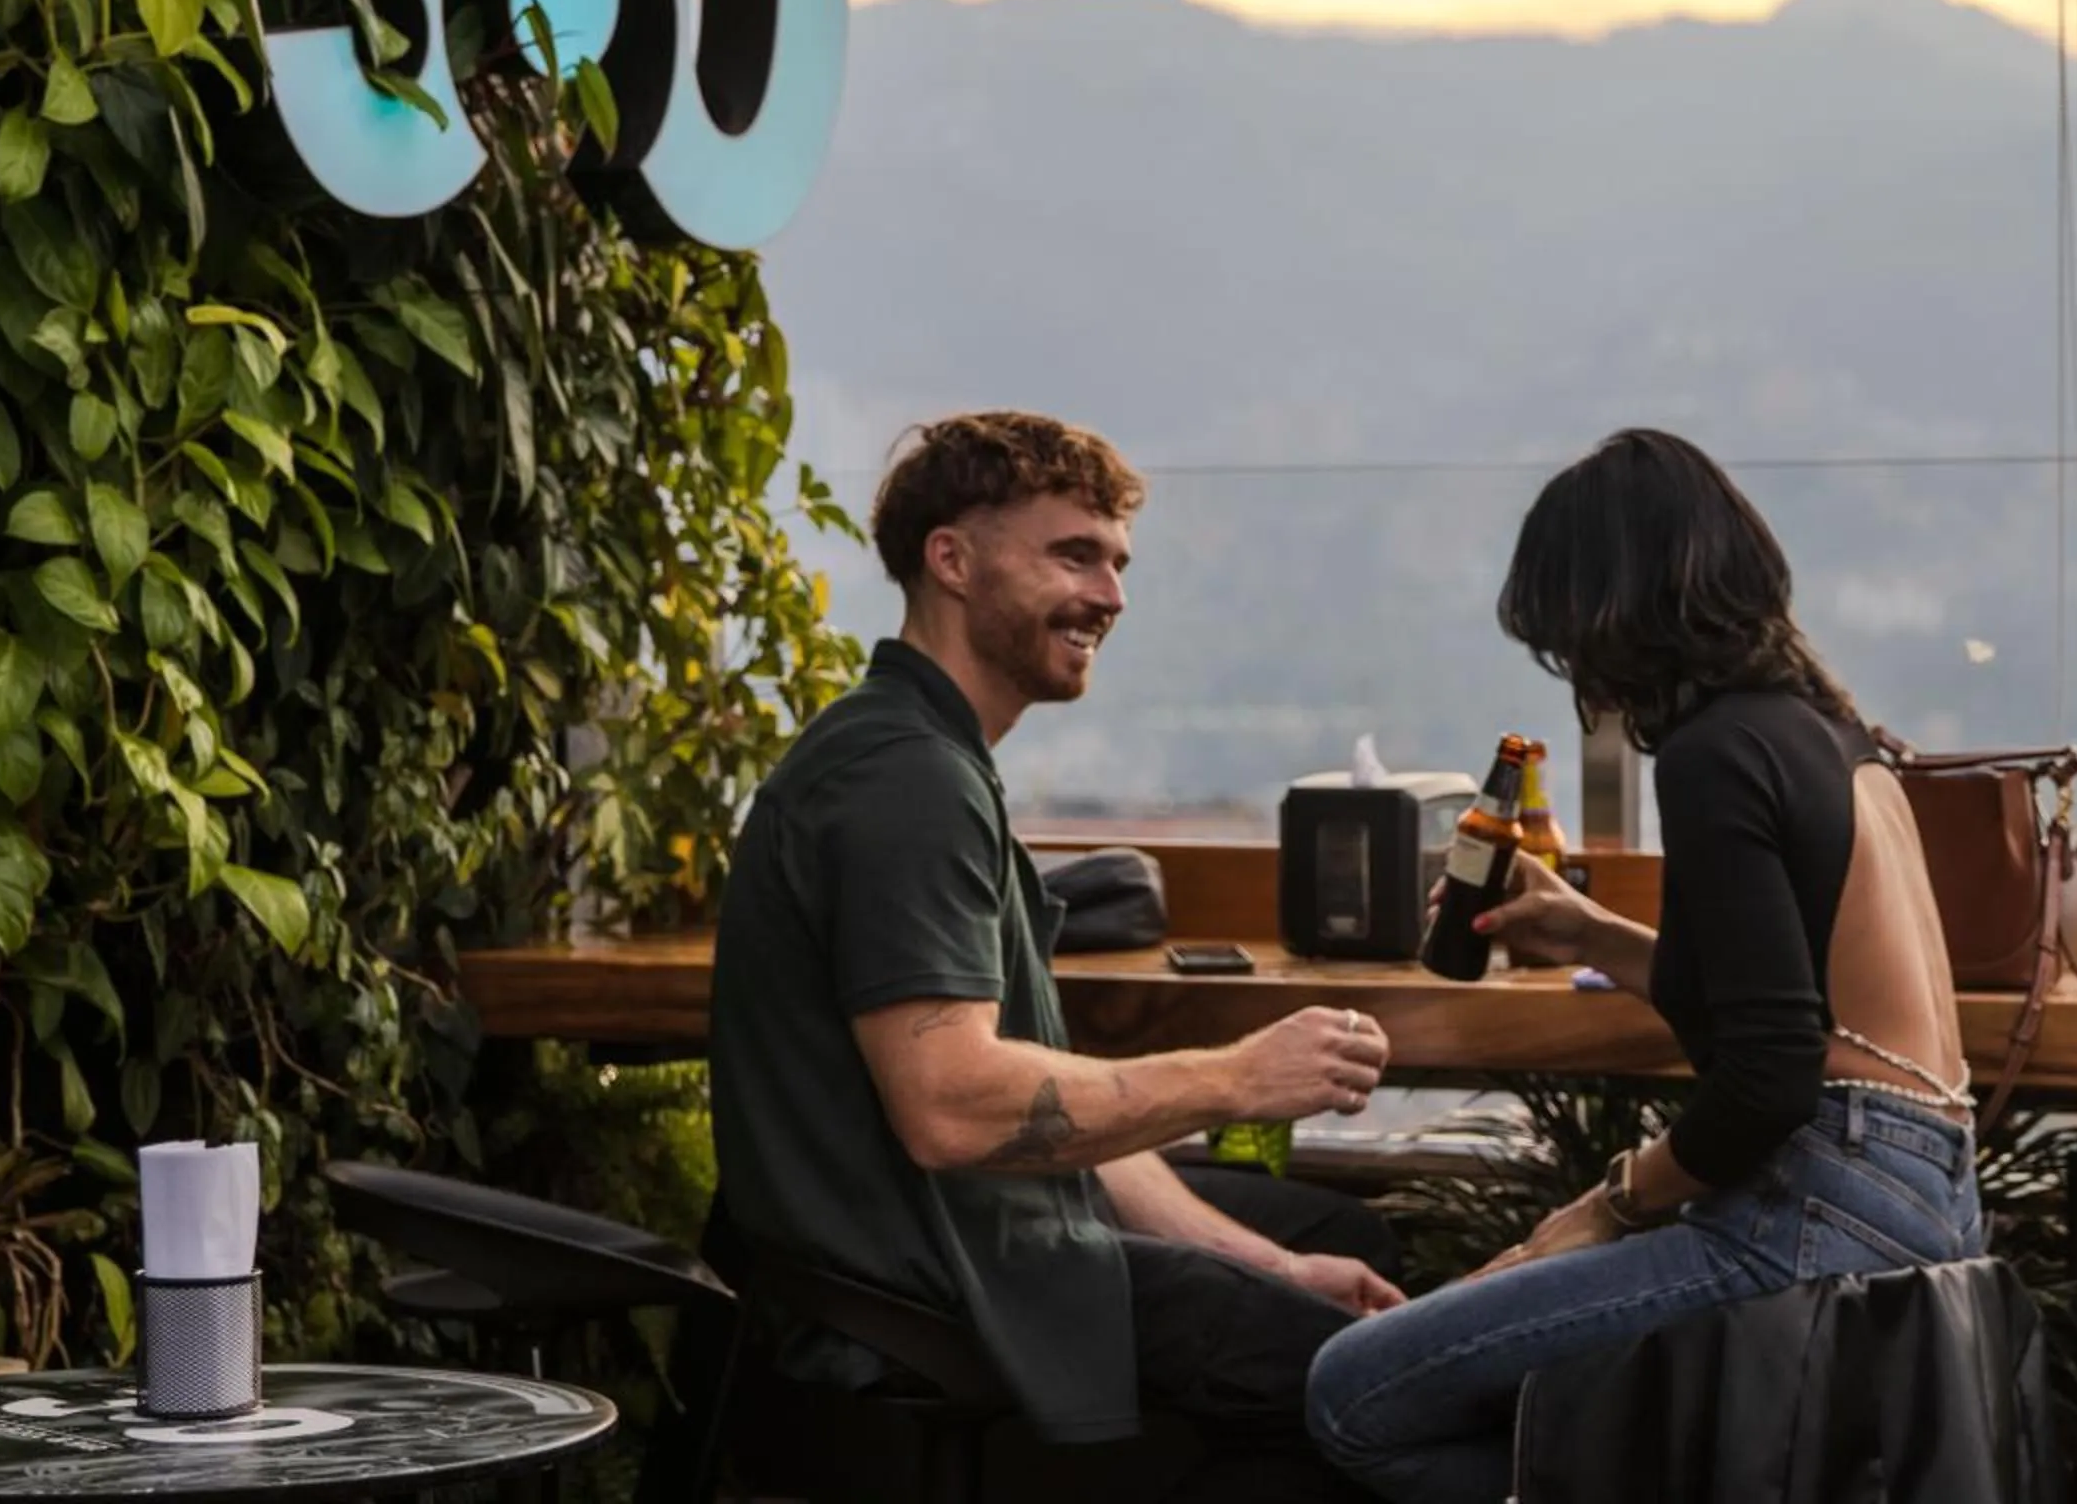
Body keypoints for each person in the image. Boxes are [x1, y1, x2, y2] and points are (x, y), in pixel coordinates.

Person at [711, 411, 1402, 1501]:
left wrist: (1268, 1265)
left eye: (1117, 561)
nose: (1112, 595)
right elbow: (954, 1106)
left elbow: (1059, 1116)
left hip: (981, 1234)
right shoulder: (906, 783)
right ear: (952, 557)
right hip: (930, 1294)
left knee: (1330, 1244)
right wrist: (1231, 1075)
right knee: (1367, 1390)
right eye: (1072, 553)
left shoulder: (930, 755)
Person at [1306, 427, 1983, 1504]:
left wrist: (1606, 1205)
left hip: (1819, 1200)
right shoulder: (1829, 732)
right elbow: (1791, 1006)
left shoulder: (1717, 752)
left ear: (1615, 614)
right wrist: (1587, 935)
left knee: (1357, 1390)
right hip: (1931, 1190)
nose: (1577, 670)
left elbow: (1768, 1078)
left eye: (1568, 638)